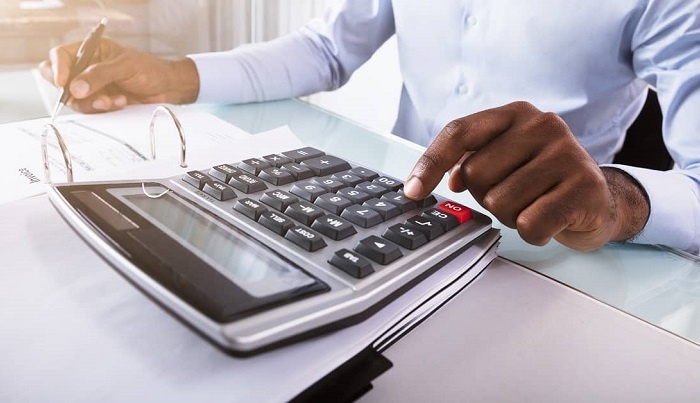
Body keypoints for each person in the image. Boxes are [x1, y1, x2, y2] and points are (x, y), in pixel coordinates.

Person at [39, 1, 700, 255]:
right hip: (386, 209)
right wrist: (171, 74)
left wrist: (614, 199)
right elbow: (327, 50)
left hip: (548, 249)